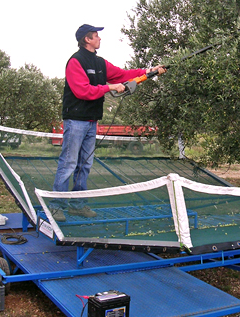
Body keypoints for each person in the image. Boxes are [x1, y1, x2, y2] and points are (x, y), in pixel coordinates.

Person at [49, 24, 166, 222]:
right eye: (96, 36)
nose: (100, 39)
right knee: (69, 163)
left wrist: (150, 70)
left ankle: (77, 205)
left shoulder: (100, 62)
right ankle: (56, 206)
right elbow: (82, 91)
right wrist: (109, 87)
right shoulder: (75, 62)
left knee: (85, 164)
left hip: (91, 120)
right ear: (87, 39)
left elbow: (123, 75)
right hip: (75, 120)